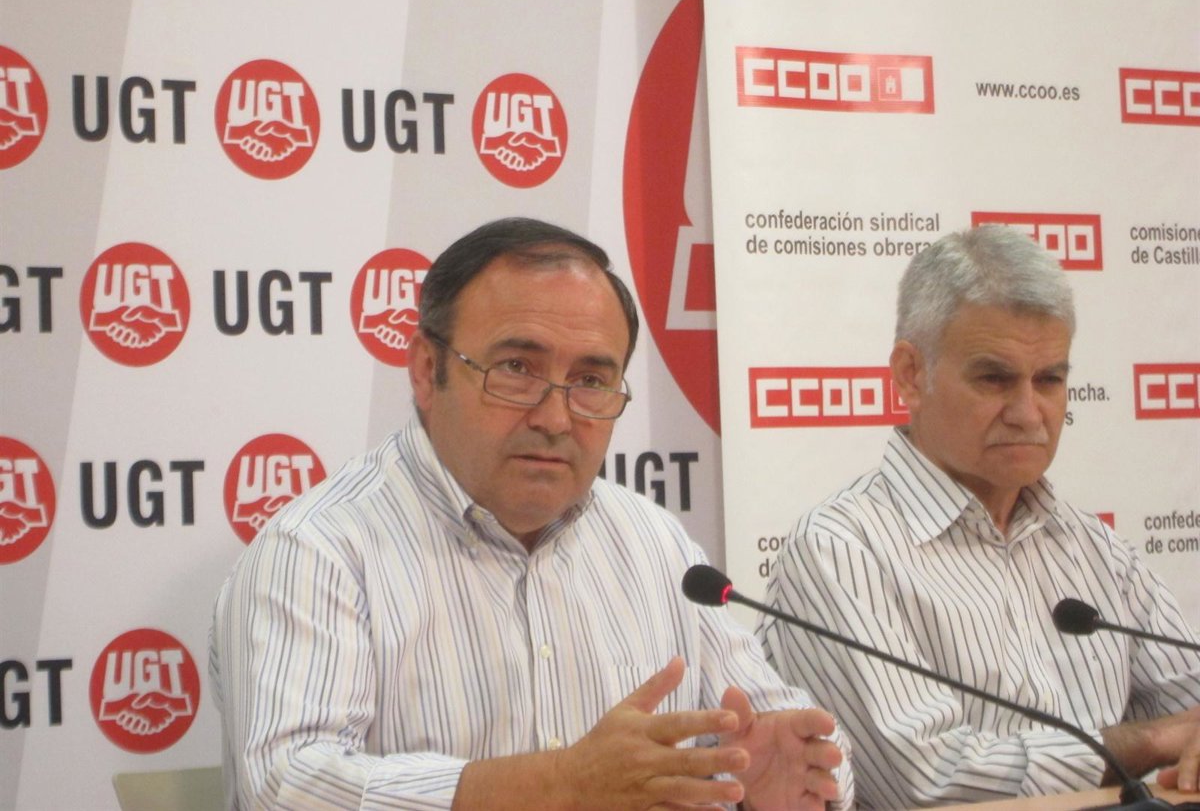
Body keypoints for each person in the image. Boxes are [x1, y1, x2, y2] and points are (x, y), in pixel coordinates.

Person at [211, 217, 853, 810]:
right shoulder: (318, 550)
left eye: (591, 381)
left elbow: (777, 726)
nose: (555, 418)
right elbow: (288, 786)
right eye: (516, 369)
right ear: (427, 370)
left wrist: (773, 774)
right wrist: (563, 784)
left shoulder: (653, 543)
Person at [761, 225, 1200, 808]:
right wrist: (1150, 743)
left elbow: (1191, 709)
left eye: (1050, 380)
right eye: (995, 378)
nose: (1028, 413)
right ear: (911, 374)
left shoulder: (1095, 547)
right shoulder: (839, 549)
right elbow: (928, 783)